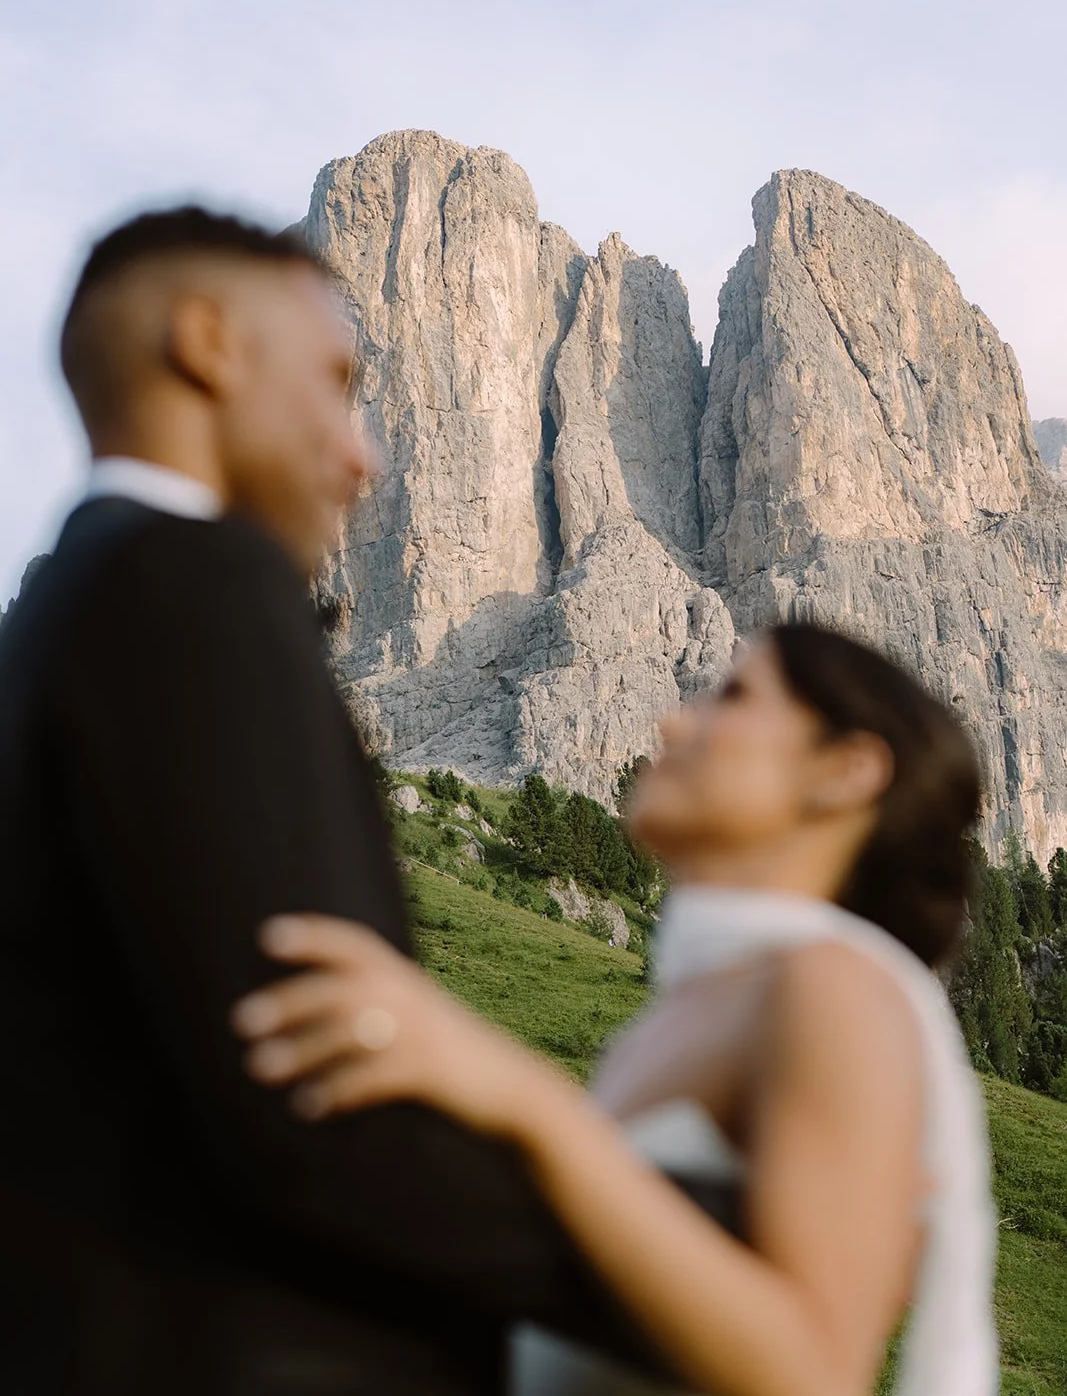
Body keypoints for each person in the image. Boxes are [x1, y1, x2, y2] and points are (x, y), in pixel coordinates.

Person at [0, 206, 724, 1395]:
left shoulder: (56, 625)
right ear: (209, 344)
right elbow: (310, 1097)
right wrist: (670, 1266)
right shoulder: (202, 588)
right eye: (336, 382)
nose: (365, 454)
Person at [233, 624, 1000, 1396]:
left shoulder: (833, 988)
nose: (672, 723)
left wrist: (522, 1100)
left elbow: (814, 1374)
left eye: (731, 696)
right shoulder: (677, 1018)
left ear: (844, 769)